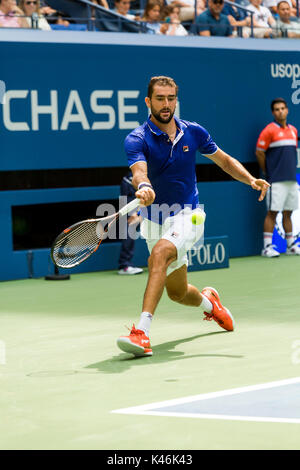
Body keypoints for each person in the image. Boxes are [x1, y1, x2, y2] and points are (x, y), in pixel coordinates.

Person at [117, 75, 269, 357]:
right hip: (154, 219)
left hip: (189, 214)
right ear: (148, 101)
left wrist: (250, 179)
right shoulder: (136, 138)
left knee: (159, 255)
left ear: (176, 100)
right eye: (160, 99)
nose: (166, 104)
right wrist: (144, 186)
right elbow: (139, 171)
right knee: (177, 293)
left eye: (171, 98)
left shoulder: (193, 131)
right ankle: (212, 304)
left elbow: (223, 160)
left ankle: (141, 332)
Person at [256, 98, 300, 258]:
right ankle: (267, 247)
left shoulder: (294, 130)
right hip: (275, 180)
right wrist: (267, 172)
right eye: (276, 109)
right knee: (272, 213)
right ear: (273, 112)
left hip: (291, 179)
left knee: (288, 212)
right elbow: (259, 152)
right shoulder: (269, 130)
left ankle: (290, 246)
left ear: (287, 110)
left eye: (282, 108)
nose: (280, 111)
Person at [118, 172, 143, 275]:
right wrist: (133, 213)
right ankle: (125, 265)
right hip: (134, 205)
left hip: (147, 206)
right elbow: (127, 198)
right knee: (130, 229)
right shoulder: (129, 179)